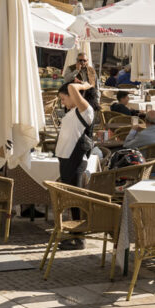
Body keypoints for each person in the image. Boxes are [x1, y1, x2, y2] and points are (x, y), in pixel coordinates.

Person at [55, 80, 95, 250]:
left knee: (75, 199)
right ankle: (73, 233)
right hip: (66, 158)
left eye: (63, 99)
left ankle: (79, 239)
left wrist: (85, 85)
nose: (62, 102)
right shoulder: (72, 111)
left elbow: (72, 87)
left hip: (75, 159)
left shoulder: (85, 110)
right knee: (70, 199)